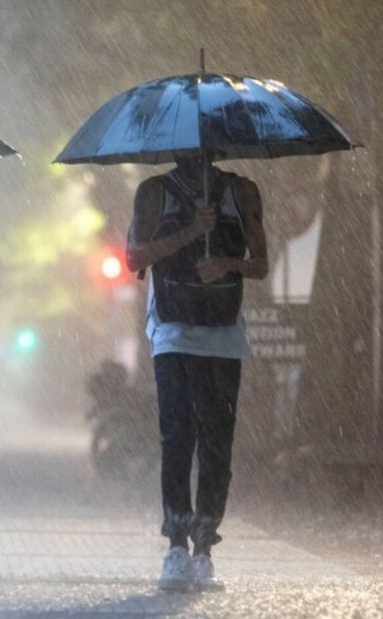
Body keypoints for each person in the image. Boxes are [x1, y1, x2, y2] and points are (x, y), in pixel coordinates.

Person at [126, 155, 267, 592]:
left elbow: (261, 264)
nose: (199, 153)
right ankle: (175, 544)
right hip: (172, 330)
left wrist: (227, 263)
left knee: (217, 440)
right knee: (177, 434)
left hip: (223, 334)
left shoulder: (241, 191)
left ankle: (205, 546)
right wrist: (190, 232)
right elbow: (133, 256)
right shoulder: (154, 192)